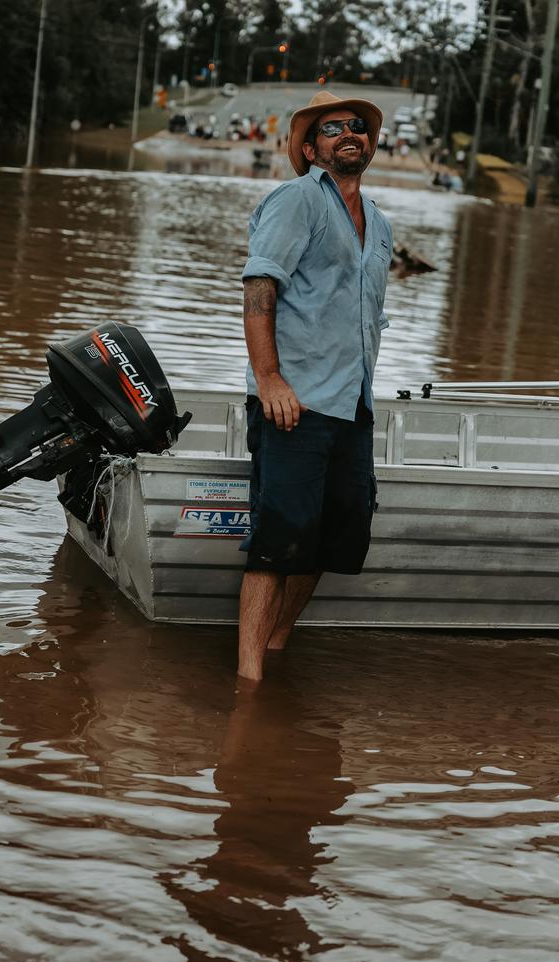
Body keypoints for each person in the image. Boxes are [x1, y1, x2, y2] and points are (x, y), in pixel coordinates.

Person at [237, 90, 393, 681]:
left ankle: (276, 650)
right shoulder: (296, 201)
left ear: (370, 142)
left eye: (358, 126)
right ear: (310, 147)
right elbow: (259, 288)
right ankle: (249, 686)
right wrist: (269, 377)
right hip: (293, 404)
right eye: (332, 129)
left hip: (351, 405)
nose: (348, 134)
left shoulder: (379, 224)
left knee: (335, 537)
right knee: (277, 542)